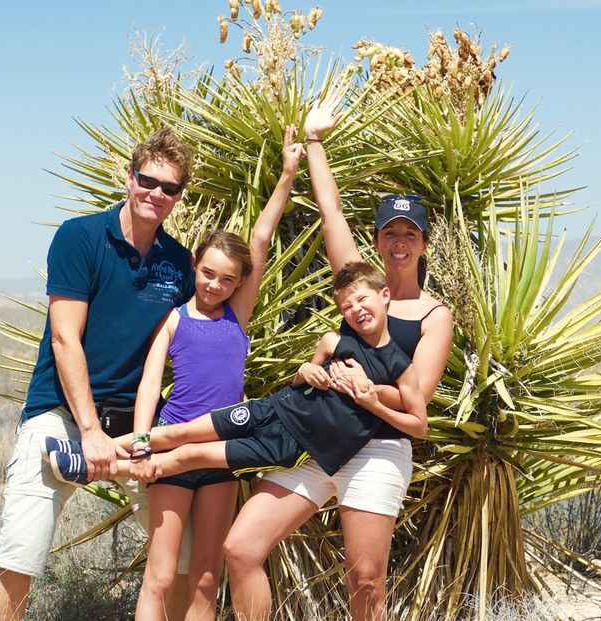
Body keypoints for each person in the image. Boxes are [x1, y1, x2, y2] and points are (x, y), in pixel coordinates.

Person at [221, 91, 455, 621]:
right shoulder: (358, 279)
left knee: (366, 580)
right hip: (315, 435)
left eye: (409, 234)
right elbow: (330, 210)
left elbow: (417, 393)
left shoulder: (434, 315)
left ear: (423, 243)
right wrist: (314, 139)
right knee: (241, 549)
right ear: (376, 238)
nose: (399, 242)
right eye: (389, 232)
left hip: (377, 447)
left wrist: (363, 388)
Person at [0, 127, 197, 621]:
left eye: (170, 188)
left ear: (178, 197)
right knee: (21, 547)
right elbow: (65, 339)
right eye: (148, 181)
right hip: (62, 413)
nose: (156, 194)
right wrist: (89, 431)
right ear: (129, 177)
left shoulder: (179, 263)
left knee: (181, 554)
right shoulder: (80, 238)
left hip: (137, 422)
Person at [126, 127, 302, 621]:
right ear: (195, 267)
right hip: (174, 449)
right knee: (160, 577)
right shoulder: (175, 317)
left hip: (224, 454)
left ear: (240, 283)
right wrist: (142, 439)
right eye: (207, 273)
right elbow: (149, 382)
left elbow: (262, 237)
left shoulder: (236, 317)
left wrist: (288, 173)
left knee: (206, 576)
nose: (215, 285)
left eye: (227, 279)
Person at [44, 262, 428, 488]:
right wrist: (305, 371)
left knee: (190, 455)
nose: (356, 310)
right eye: (346, 305)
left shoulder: (401, 366)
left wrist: (371, 401)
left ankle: (94, 470)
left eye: (362, 300)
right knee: (178, 433)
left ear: (385, 297)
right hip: (272, 409)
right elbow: (303, 379)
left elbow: (418, 425)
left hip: (288, 446)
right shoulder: (333, 340)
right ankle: (86, 450)